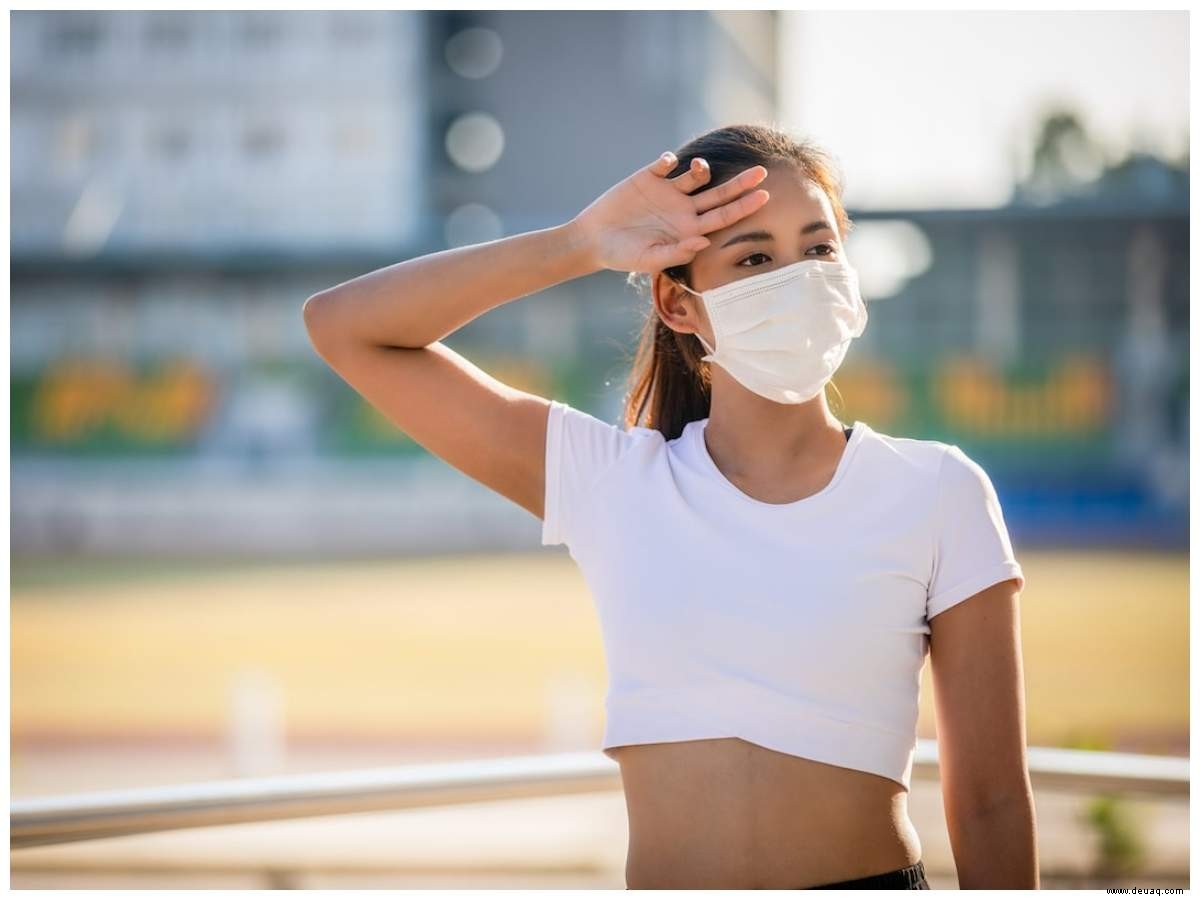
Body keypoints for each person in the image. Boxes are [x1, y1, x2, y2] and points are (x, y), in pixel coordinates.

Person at [302, 123, 1038, 890]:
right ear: (677, 303)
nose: (799, 278)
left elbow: (990, 804)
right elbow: (344, 327)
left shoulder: (939, 490)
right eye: (754, 257)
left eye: (819, 250)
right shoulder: (612, 482)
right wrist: (581, 242)